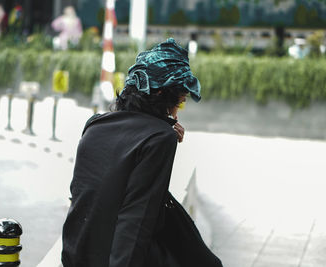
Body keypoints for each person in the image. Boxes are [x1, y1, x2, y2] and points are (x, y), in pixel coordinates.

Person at [61, 38, 222, 267]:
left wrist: (163, 126)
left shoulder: (95, 125)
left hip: (77, 255)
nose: (178, 111)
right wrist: (163, 132)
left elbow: (85, 197)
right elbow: (137, 217)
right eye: (181, 102)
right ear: (161, 96)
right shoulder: (160, 139)